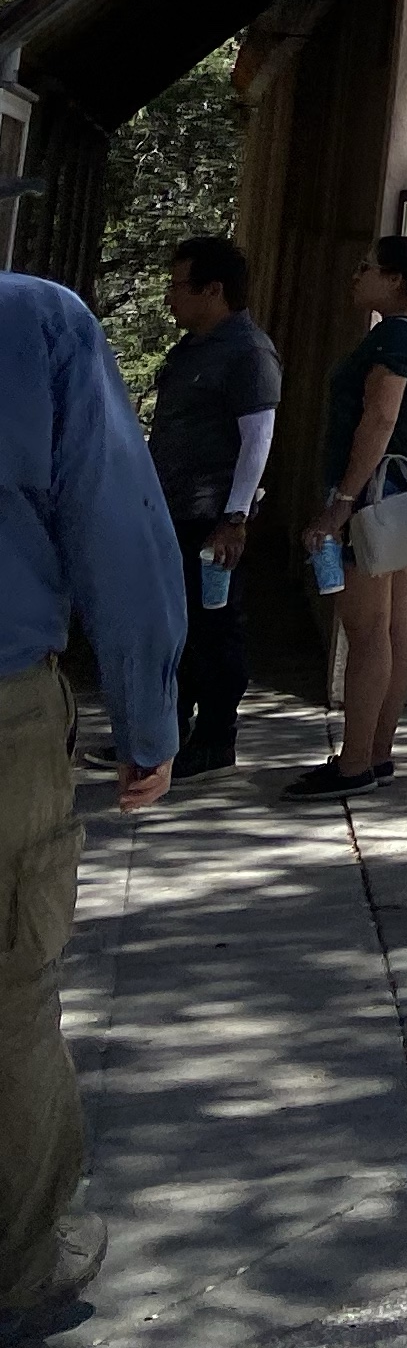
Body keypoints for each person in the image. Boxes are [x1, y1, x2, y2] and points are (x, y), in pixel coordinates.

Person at [3, 244, 183, 1344]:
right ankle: (21, 1265)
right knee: (8, 992)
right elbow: (118, 532)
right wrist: (147, 720)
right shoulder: (35, 324)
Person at [292, 235, 407, 798]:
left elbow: (379, 418)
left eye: (365, 267)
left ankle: (353, 766)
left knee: (368, 633)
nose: (355, 276)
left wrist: (340, 503)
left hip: (372, 496)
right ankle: (378, 752)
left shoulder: (394, 335)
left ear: (393, 279)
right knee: (399, 625)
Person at [144, 236, 281, 778]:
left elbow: (258, 440)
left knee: (214, 631)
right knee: (173, 627)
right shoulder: (193, 348)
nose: (170, 297)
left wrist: (234, 518)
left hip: (211, 519)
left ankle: (215, 738)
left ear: (213, 290)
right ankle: (165, 735)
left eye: (179, 286)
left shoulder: (248, 352)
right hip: (172, 512)